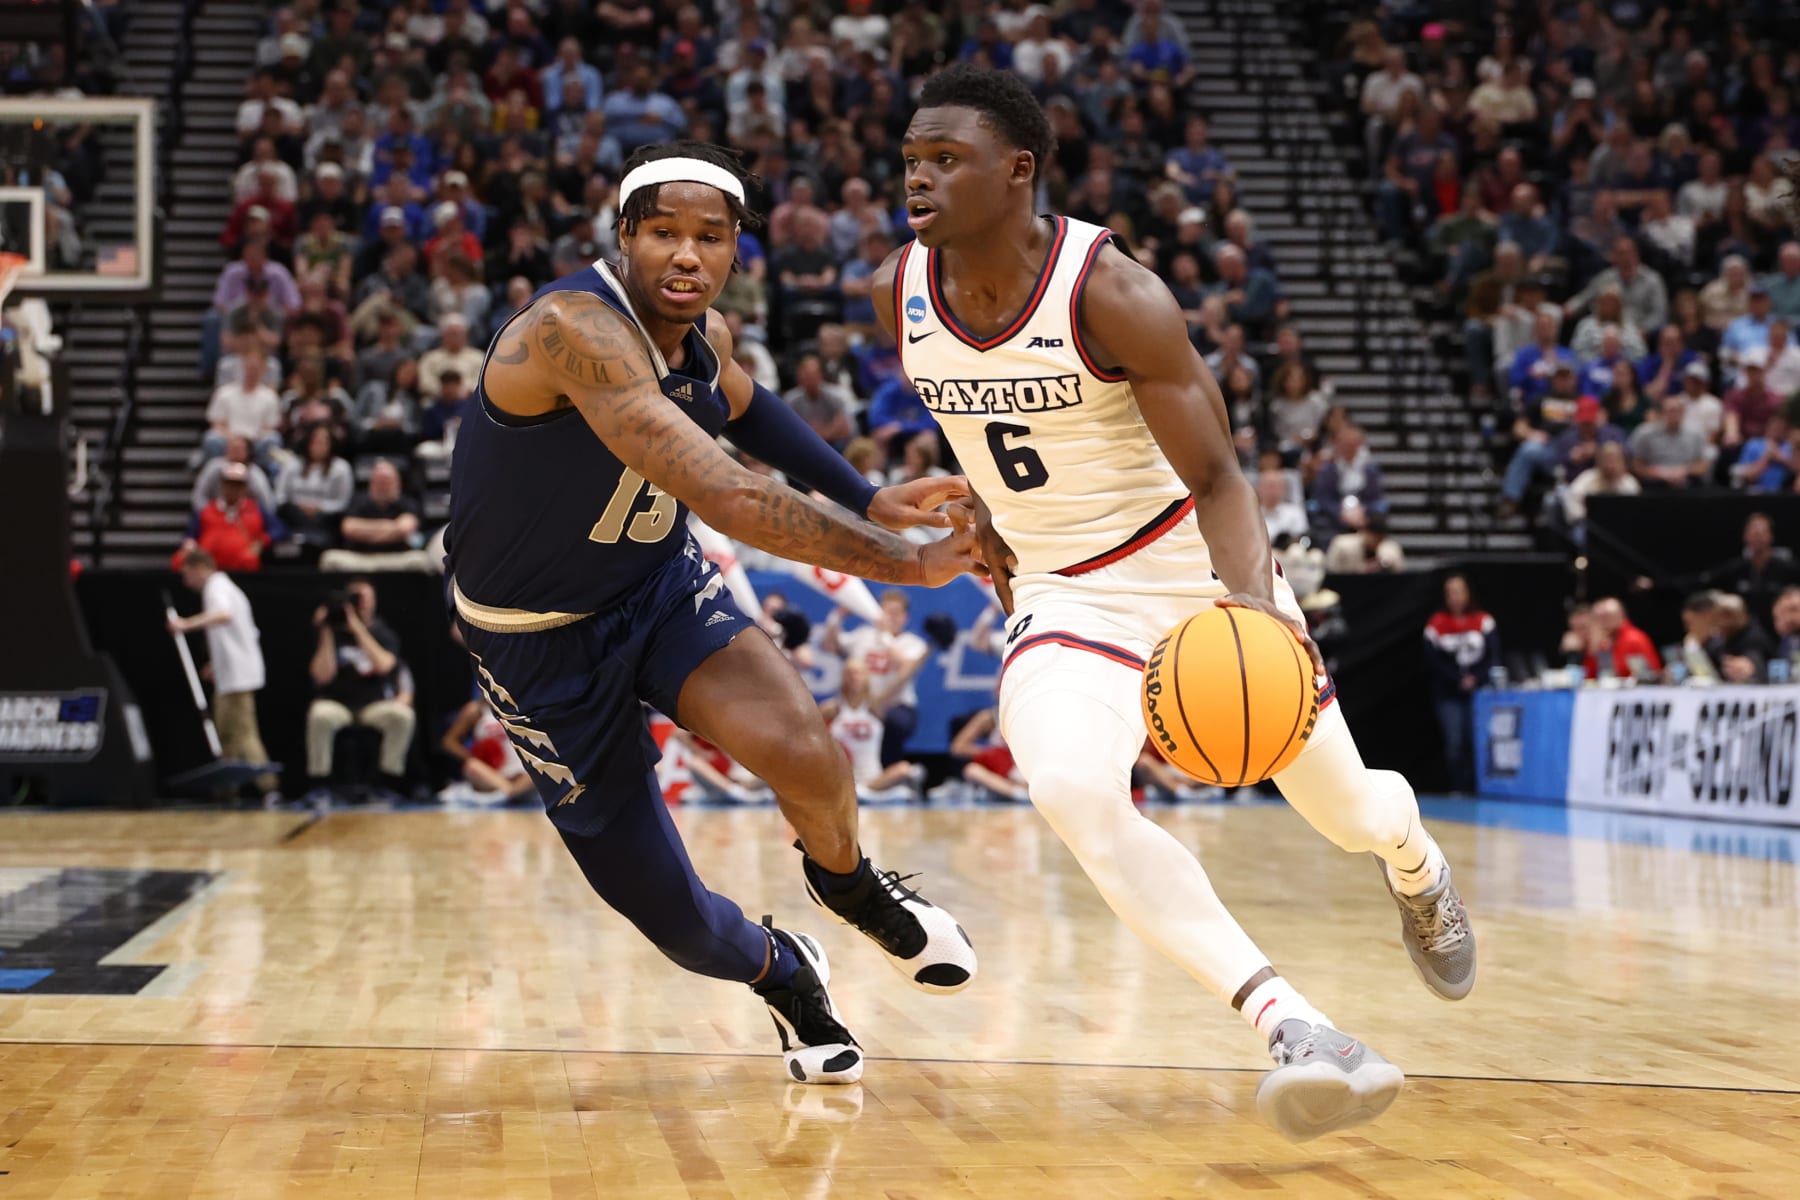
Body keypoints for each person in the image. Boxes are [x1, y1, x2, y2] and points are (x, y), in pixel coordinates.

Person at [876, 65, 1474, 1142]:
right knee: (1067, 786)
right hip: (1065, 597)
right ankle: (1299, 1029)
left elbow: (1221, 480)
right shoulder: (898, 289)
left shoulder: (1112, 292)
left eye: (946, 159)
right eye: (912, 159)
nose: (918, 177)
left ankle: (1415, 862)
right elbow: (991, 430)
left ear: (1018, 171)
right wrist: (993, 516)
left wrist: (1250, 611)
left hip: (1193, 573)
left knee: (1349, 814)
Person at [441, 141, 982, 1086]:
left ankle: (849, 884)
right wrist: (908, 563)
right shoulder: (574, 330)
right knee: (677, 920)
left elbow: (745, 407)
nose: (686, 255)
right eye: (662, 233)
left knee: (807, 748)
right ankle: (783, 971)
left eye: (710, 237)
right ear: (623, 237)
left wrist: (867, 496)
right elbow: (731, 495)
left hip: (655, 591)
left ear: (737, 250)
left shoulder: (704, 337)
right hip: (534, 644)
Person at [167, 548, 278, 798]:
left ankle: (268, 788)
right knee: (227, 734)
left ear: (199, 568)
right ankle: (228, 791)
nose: (185, 582)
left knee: (243, 734)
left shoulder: (216, 587)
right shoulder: (223, 587)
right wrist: (216, 665)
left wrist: (185, 624)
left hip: (238, 677)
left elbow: (223, 615)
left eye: (186, 574)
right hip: (231, 675)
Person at [304, 578, 416, 799]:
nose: (362, 604)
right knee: (319, 714)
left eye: (366, 598)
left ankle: (387, 782)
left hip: (373, 705)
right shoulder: (331, 632)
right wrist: (326, 630)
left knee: (402, 716)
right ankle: (320, 784)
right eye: (356, 598)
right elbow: (322, 676)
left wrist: (358, 629)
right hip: (338, 704)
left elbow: (384, 667)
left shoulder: (383, 633)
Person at [823, 591, 930, 768]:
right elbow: (831, 645)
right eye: (886, 612)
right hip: (857, 703)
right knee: (825, 713)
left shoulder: (912, 642)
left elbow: (904, 665)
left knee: (895, 722)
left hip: (894, 704)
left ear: (905, 617)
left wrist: (885, 636)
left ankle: (886, 770)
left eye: (895, 613)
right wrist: (838, 615)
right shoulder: (863, 635)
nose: (890, 617)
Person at [1423, 576, 1499, 793]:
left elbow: (1493, 656)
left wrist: (1477, 678)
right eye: (1450, 592)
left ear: (1468, 593)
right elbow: (1432, 661)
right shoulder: (1436, 624)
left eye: (1459, 591)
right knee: (1455, 741)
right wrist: (1458, 679)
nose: (1455, 597)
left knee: (1479, 740)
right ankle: (1459, 788)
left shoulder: (1483, 621)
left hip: (1480, 692)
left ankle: (1480, 787)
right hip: (1448, 693)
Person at [820, 661, 924, 801]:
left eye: (859, 673)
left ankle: (866, 793)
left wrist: (929, 649)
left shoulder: (876, 706)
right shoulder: (832, 708)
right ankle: (864, 794)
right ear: (843, 677)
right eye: (850, 673)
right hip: (842, 779)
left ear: (867, 677)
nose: (855, 677)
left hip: (874, 780)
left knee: (903, 768)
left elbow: (902, 680)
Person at [1584, 597, 1662, 680]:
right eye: (1598, 617)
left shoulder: (1634, 639)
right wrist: (1593, 649)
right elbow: (1589, 676)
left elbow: (1648, 674)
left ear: (1621, 615)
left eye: (1606, 616)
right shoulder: (1601, 641)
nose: (1602, 621)